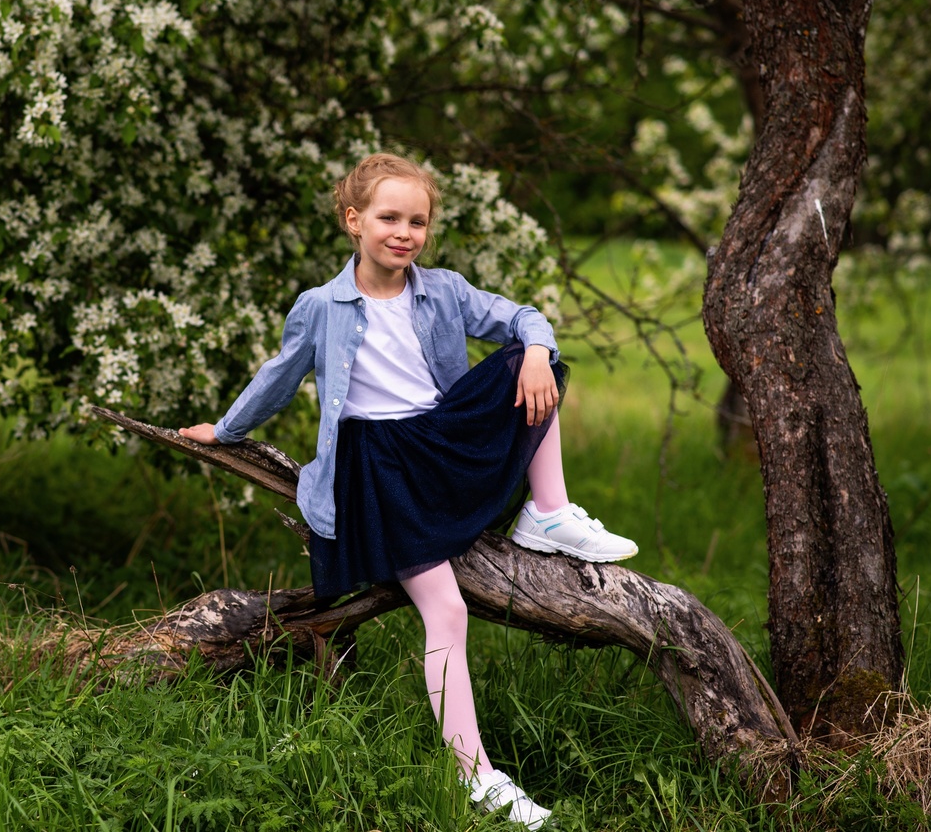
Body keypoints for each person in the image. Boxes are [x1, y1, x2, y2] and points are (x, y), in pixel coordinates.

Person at [178, 152, 637, 829]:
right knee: (446, 611)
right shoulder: (321, 306)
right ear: (353, 220)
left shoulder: (444, 289)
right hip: (380, 468)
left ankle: (548, 512)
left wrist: (536, 351)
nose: (404, 231)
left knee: (536, 362)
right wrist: (223, 429)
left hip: (436, 443)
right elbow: (277, 378)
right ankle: (476, 773)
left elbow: (524, 316)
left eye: (417, 220)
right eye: (389, 217)